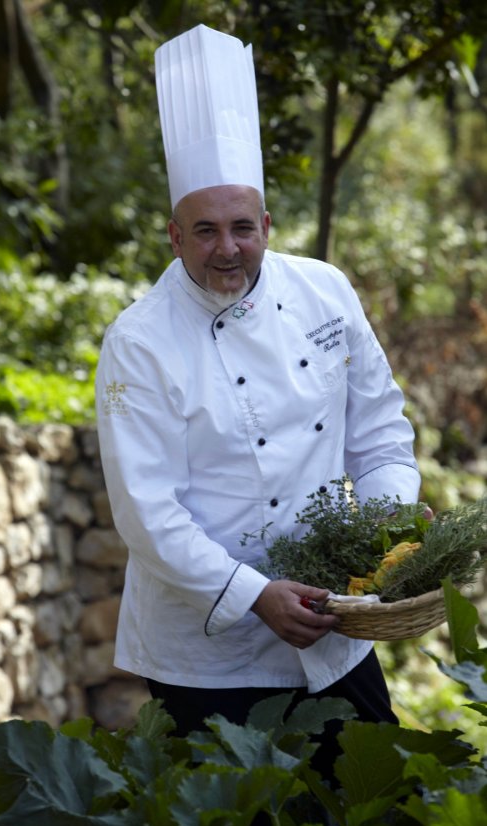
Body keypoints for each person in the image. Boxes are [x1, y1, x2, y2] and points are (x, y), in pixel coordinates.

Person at [95, 24, 420, 782]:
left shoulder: (325, 291)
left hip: (339, 632)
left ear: (267, 224)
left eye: (243, 227)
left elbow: (378, 436)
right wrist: (253, 595)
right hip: (208, 654)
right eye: (204, 230)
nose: (227, 248)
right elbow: (149, 511)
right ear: (174, 236)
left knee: (380, 803)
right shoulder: (139, 340)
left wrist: (384, 532)